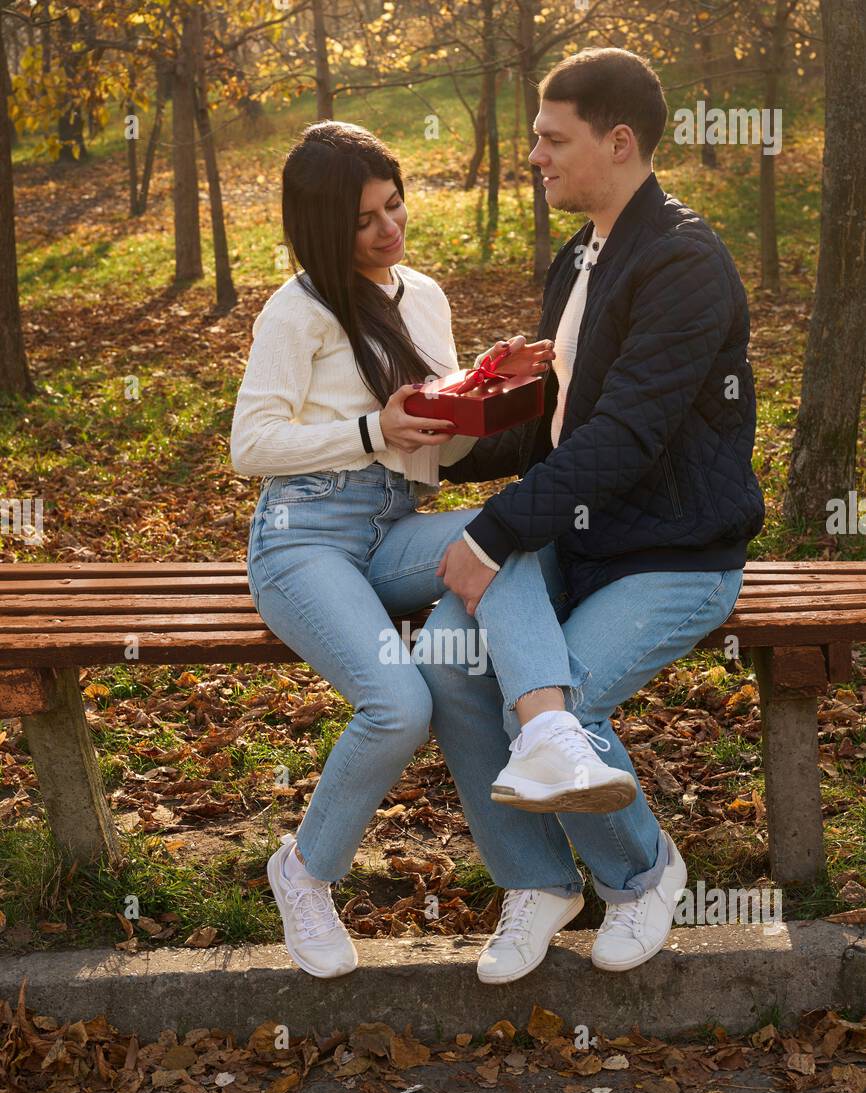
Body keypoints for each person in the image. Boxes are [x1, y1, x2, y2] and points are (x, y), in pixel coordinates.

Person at [230, 121, 635, 980]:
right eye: (366, 218)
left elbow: (438, 447)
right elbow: (251, 445)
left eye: (395, 203)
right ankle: (303, 872)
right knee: (399, 705)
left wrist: (490, 386)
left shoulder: (424, 296)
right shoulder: (296, 310)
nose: (391, 227)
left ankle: (547, 729)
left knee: (505, 527)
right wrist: (372, 427)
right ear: (320, 229)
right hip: (303, 536)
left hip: (392, 521)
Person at [421, 47, 766, 984]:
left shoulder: (684, 261)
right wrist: (445, 439)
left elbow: (626, 437)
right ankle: (537, 883)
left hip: (675, 551)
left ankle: (642, 873)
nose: (534, 154)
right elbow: (561, 428)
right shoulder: (580, 254)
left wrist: (491, 533)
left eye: (551, 137)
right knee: (449, 667)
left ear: (618, 142)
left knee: (563, 700)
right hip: (578, 536)